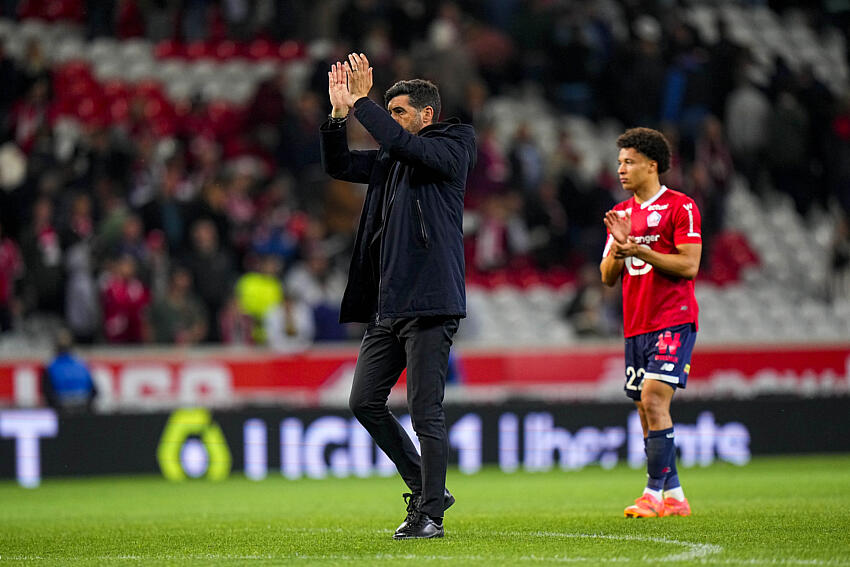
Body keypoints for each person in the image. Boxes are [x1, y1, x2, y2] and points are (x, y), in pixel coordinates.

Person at [320, 53, 476, 539]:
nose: (392, 123)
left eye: (400, 113)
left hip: (431, 301)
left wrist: (364, 103)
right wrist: (338, 116)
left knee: (425, 409)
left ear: (427, 115)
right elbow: (339, 164)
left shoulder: (454, 143)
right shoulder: (393, 159)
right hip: (389, 305)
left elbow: (405, 146)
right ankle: (426, 485)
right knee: (364, 400)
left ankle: (429, 515)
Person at [600, 127, 702, 518]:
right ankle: (675, 495)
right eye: (619, 162)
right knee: (645, 410)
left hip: (673, 320)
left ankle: (651, 494)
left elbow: (689, 265)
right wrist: (620, 249)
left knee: (654, 398)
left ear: (651, 165)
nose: (621, 169)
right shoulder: (621, 213)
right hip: (636, 324)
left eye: (629, 162)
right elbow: (608, 276)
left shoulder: (681, 206)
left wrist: (639, 247)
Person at [41, 328, 98, 413]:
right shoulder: (82, 365)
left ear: (56, 348)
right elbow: (94, 392)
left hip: (62, 414)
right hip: (83, 410)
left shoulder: (51, 368)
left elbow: (48, 394)